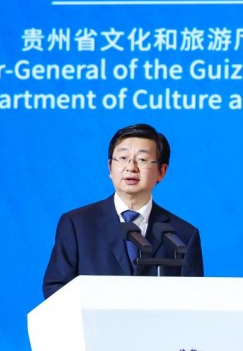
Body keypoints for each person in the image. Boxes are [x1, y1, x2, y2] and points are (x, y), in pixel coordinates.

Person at [42, 123, 204, 298]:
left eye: (142, 160)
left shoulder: (183, 235)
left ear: (161, 172)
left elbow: (193, 298)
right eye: (123, 158)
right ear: (110, 167)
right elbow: (56, 288)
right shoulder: (77, 225)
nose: (131, 167)